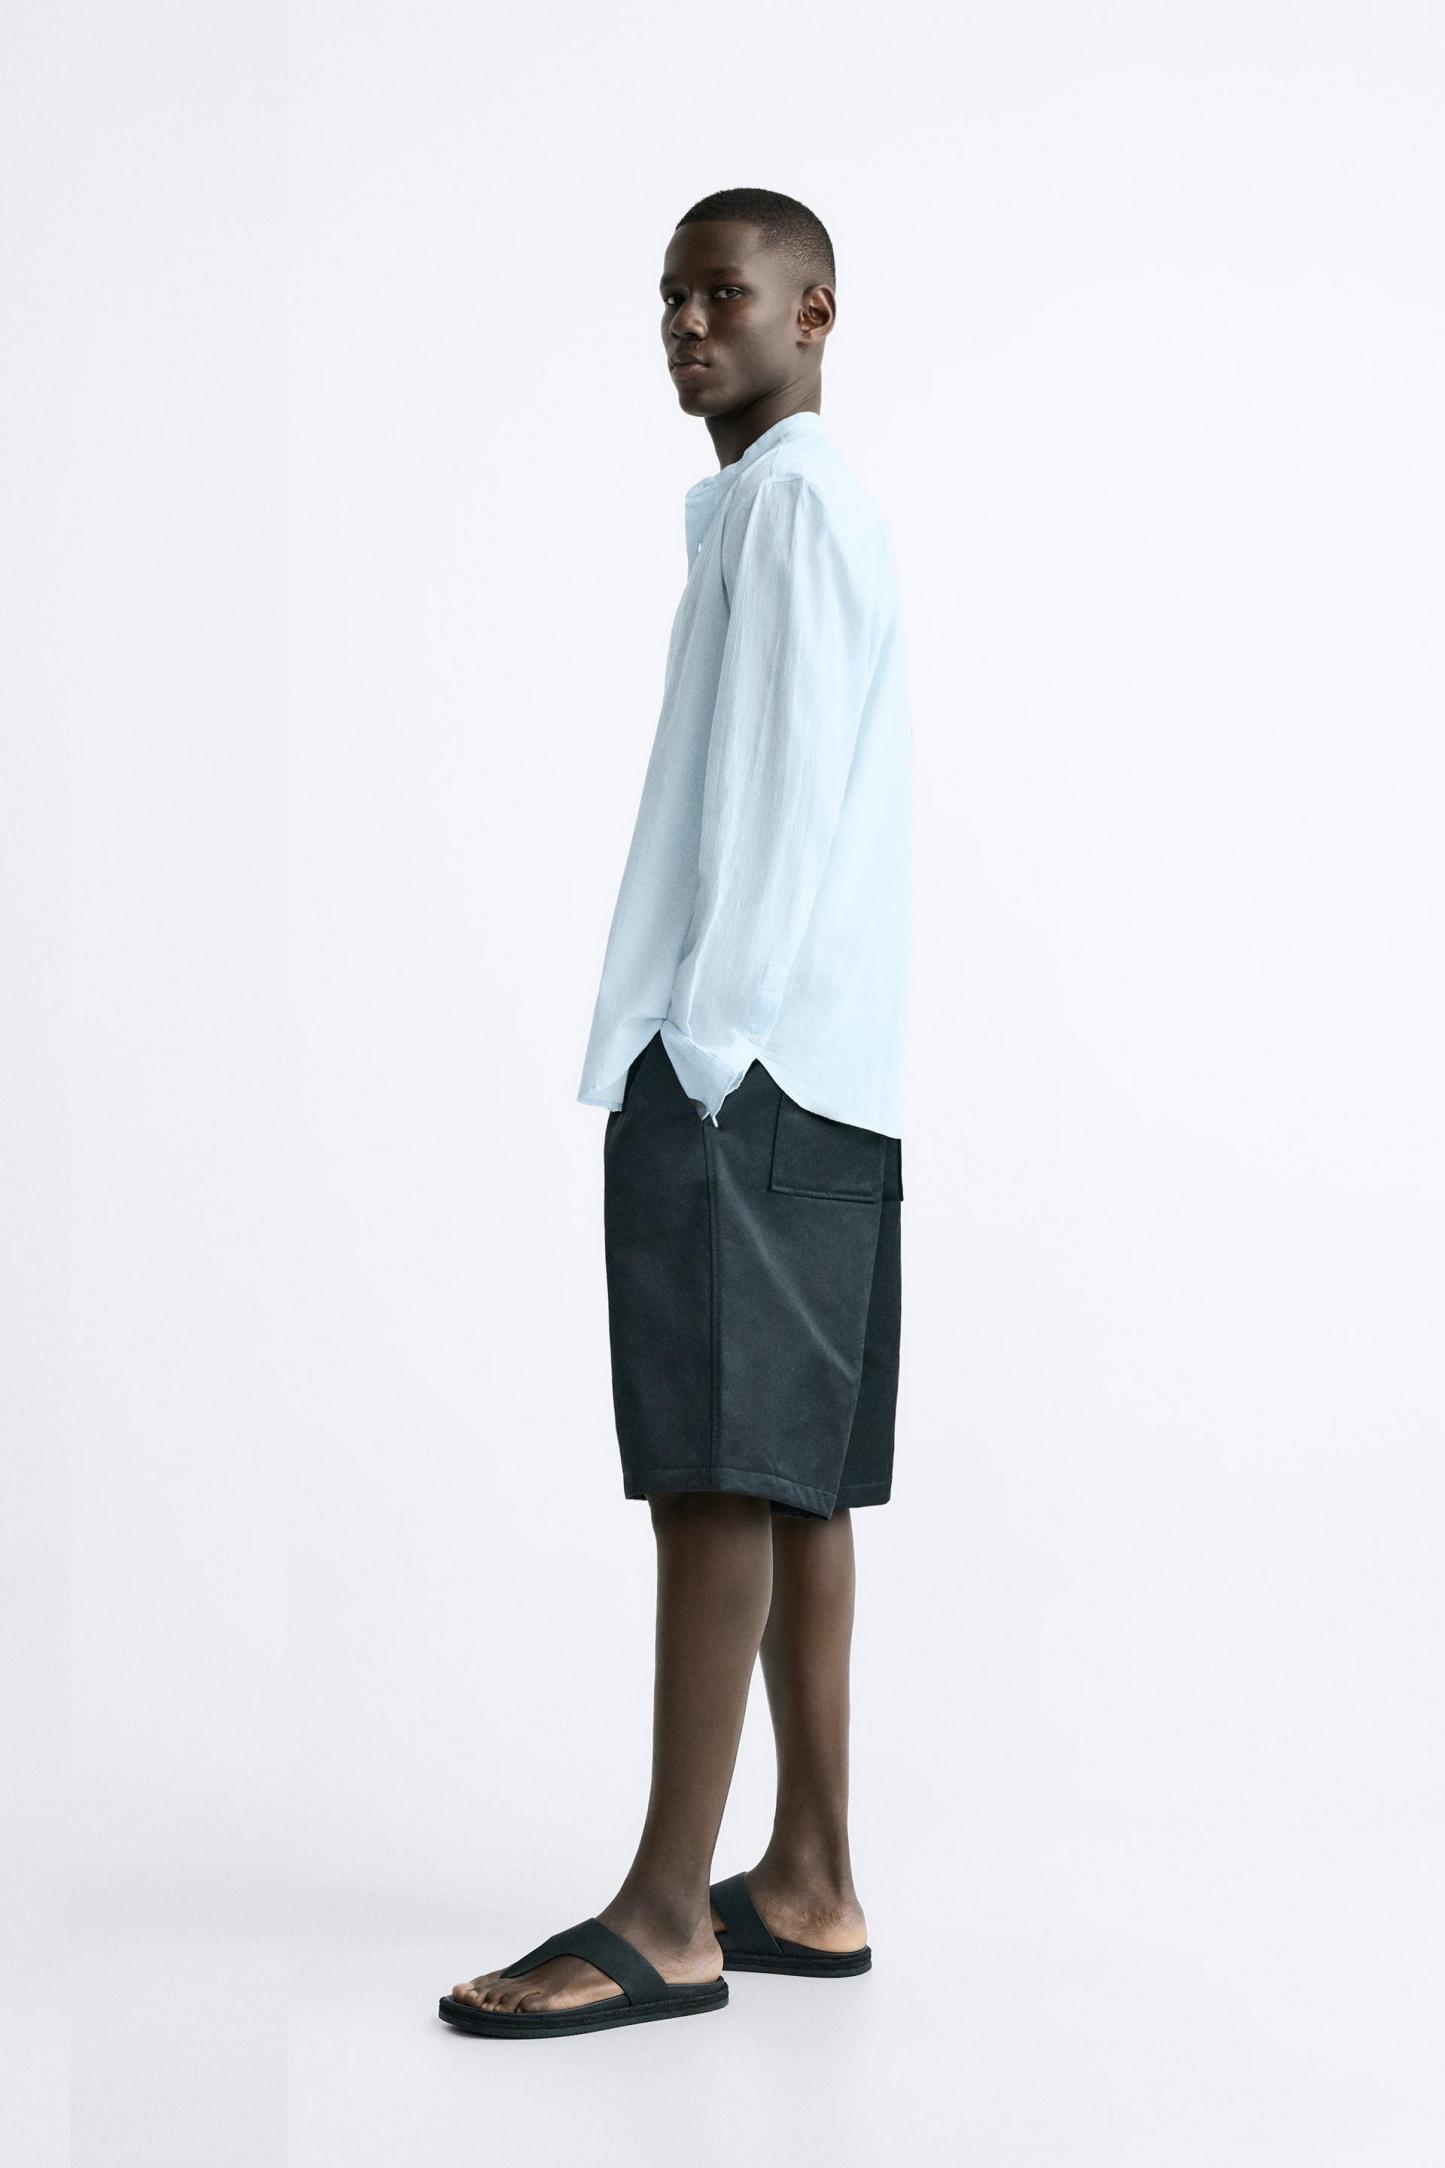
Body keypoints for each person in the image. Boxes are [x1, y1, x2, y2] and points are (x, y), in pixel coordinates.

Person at [440, 186, 912, 2040]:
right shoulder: (784, 509)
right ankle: (808, 1881)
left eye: (724, 293)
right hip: (829, 1083)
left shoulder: (788, 508)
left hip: (748, 1076)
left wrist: (699, 1053)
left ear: (814, 312)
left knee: (718, 1474)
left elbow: (777, 810)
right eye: (669, 299)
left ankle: (664, 1914)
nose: (687, 325)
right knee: (795, 1483)